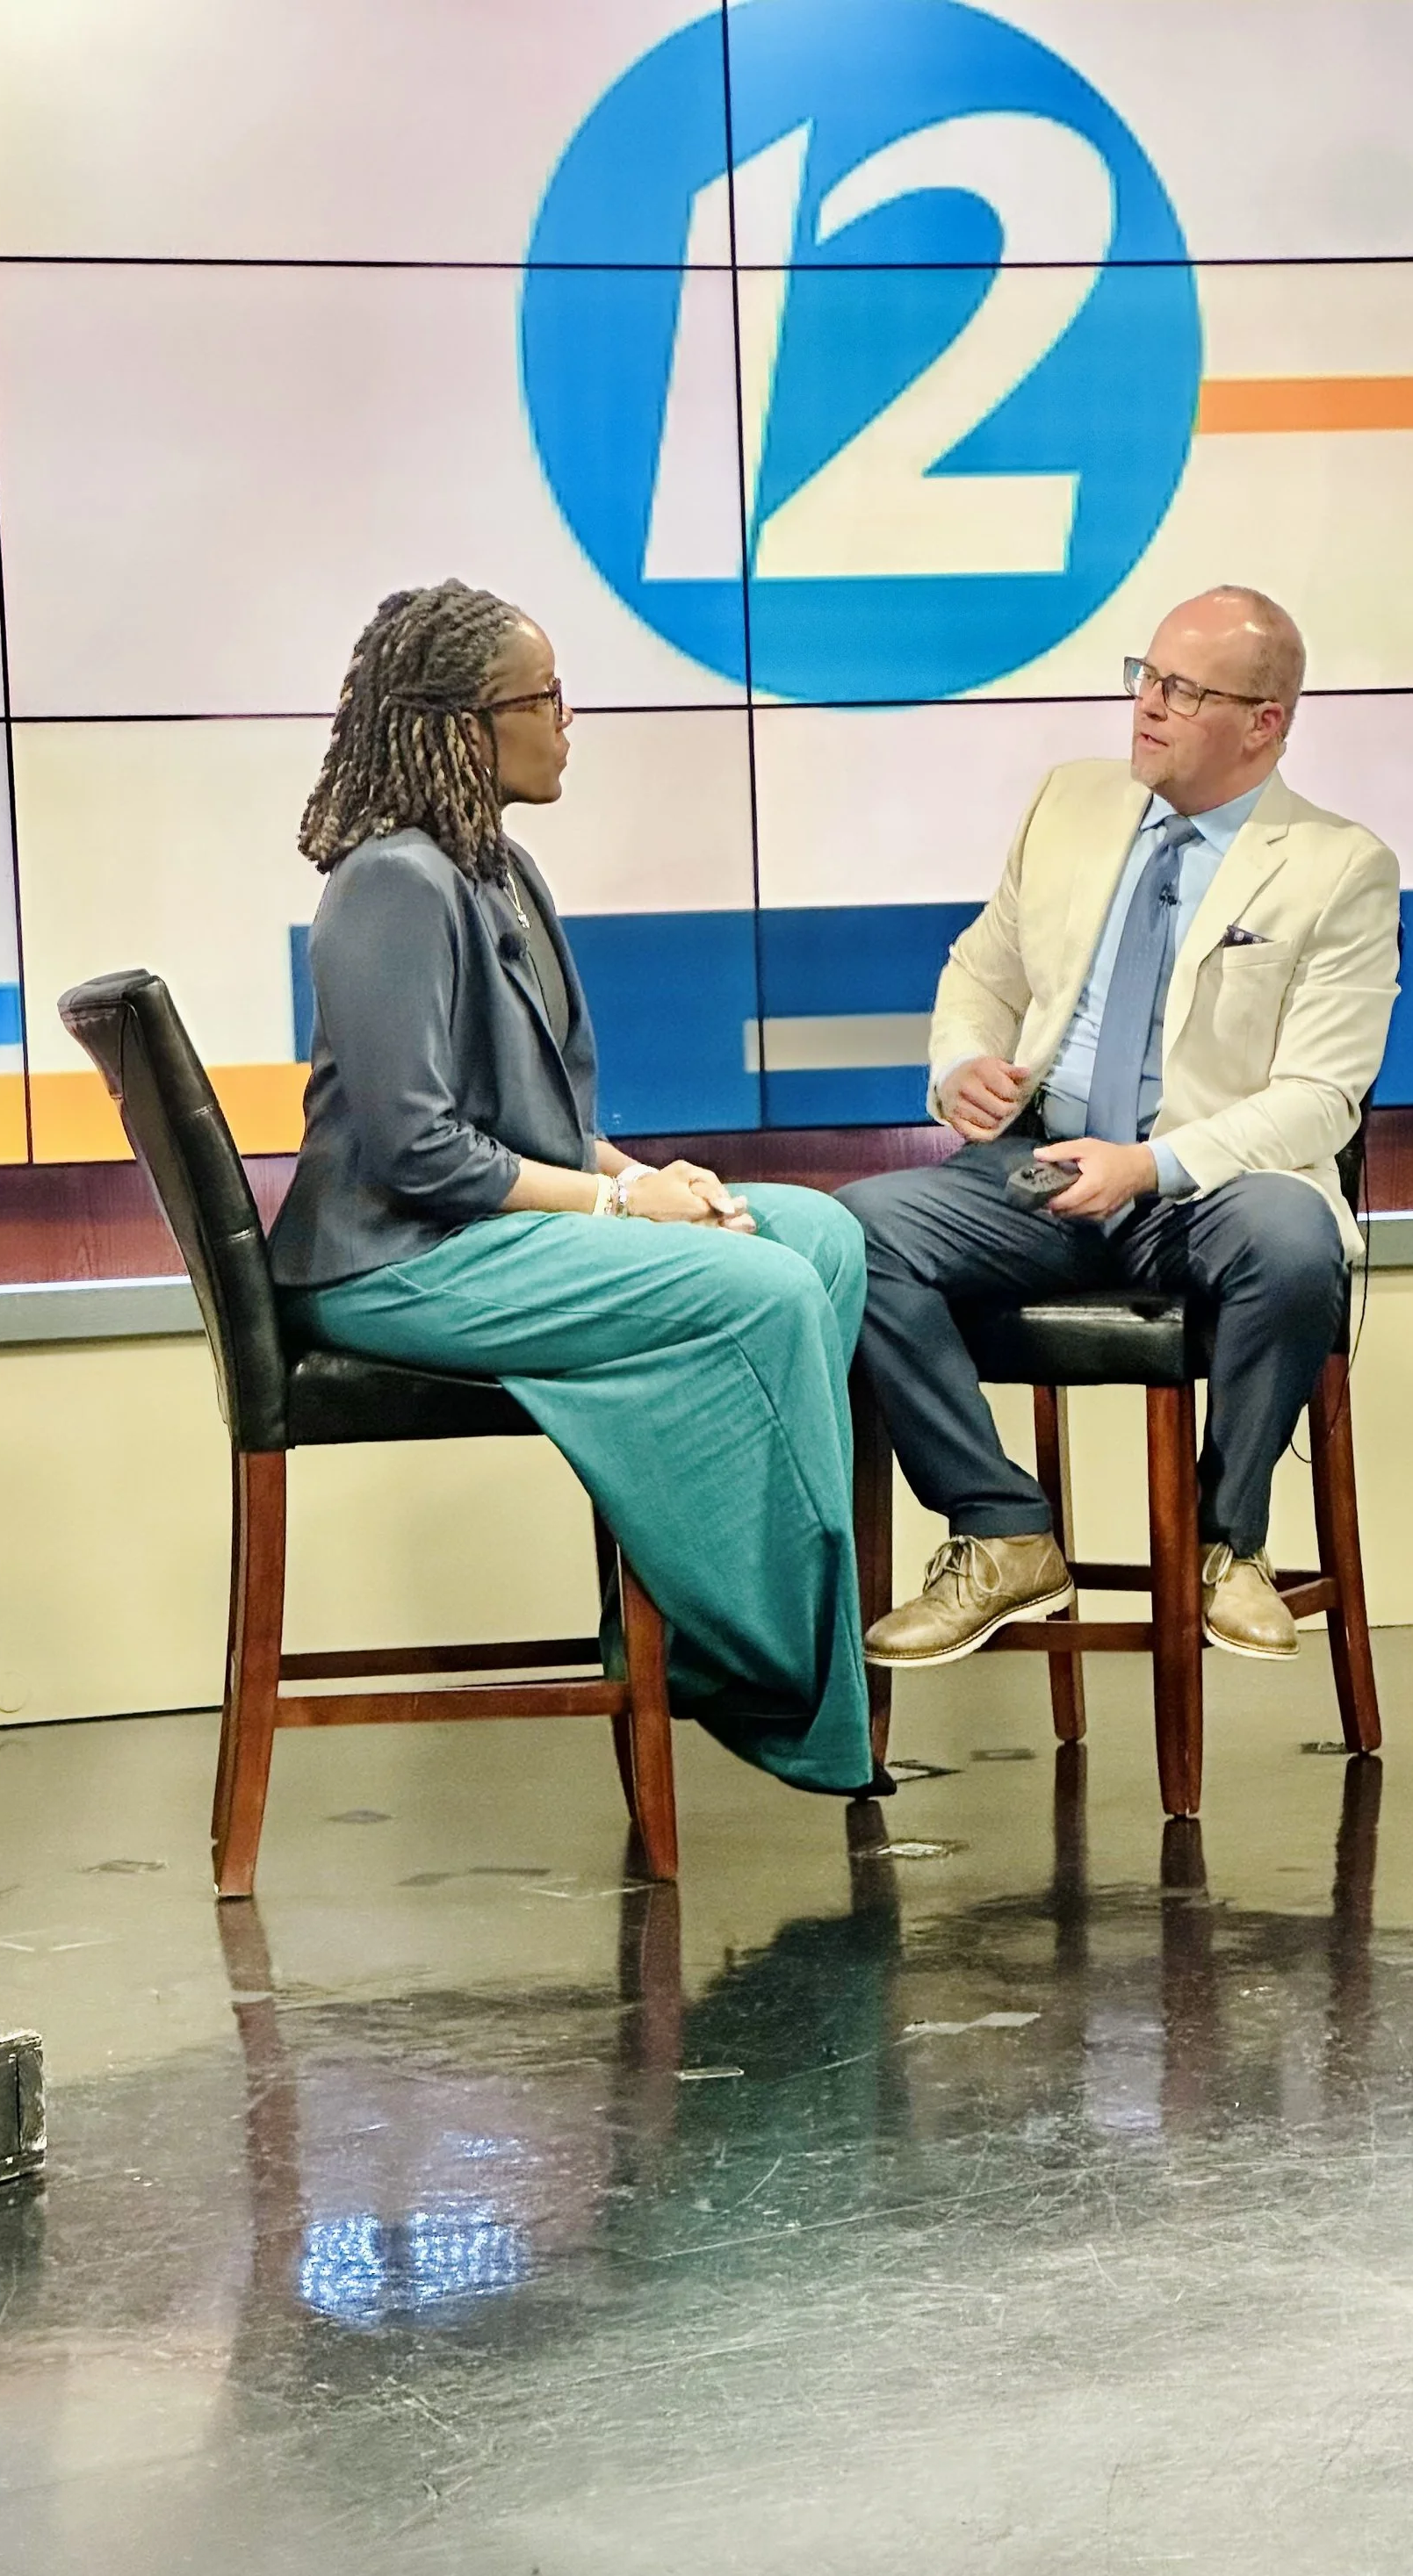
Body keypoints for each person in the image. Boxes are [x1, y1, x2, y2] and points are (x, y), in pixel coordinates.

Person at [269, 579, 877, 1800]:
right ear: (461, 722)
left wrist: (648, 1178)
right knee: (758, 1288)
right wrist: (612, 1209)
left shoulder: (499, 867)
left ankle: (700, 1620)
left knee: (816, 1236)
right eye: (544, 697)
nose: (567, 720)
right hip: (396, 1261)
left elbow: (540, 1117)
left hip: (472, 1231)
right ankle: (752, 1654)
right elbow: (414, 1152)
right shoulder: (391, 882)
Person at [842, 585, 1399, 1670]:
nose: (1147, 706)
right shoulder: (1071, 802)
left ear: (1264, 721)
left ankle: (1228, 1545)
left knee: (1293, 1238)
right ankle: (1000, 1530)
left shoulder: (1338, 866)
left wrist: (1149, 1164)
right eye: (1145, 675)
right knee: (851, 1231)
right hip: (1041, 1169)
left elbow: (1321, 1098)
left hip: (1208, 1185)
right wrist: (961, 1063)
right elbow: (981, 972)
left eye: (1184, 690)